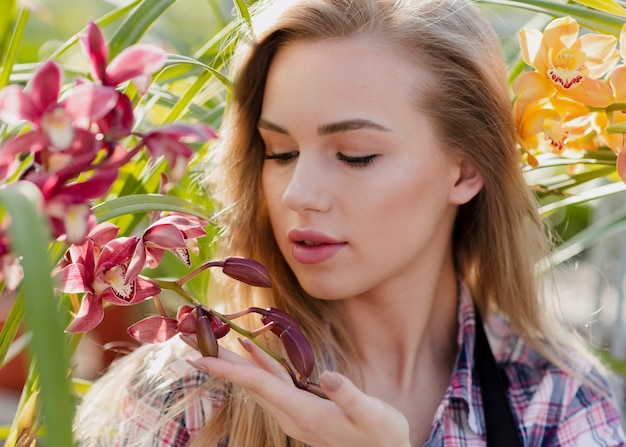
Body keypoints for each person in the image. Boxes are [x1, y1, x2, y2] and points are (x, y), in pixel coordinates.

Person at [74, 0, 626, 445]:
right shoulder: (191, 396)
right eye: (279, 152)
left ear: (467, 169)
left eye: (355, 155)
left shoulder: (557, 399)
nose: (299, 194)